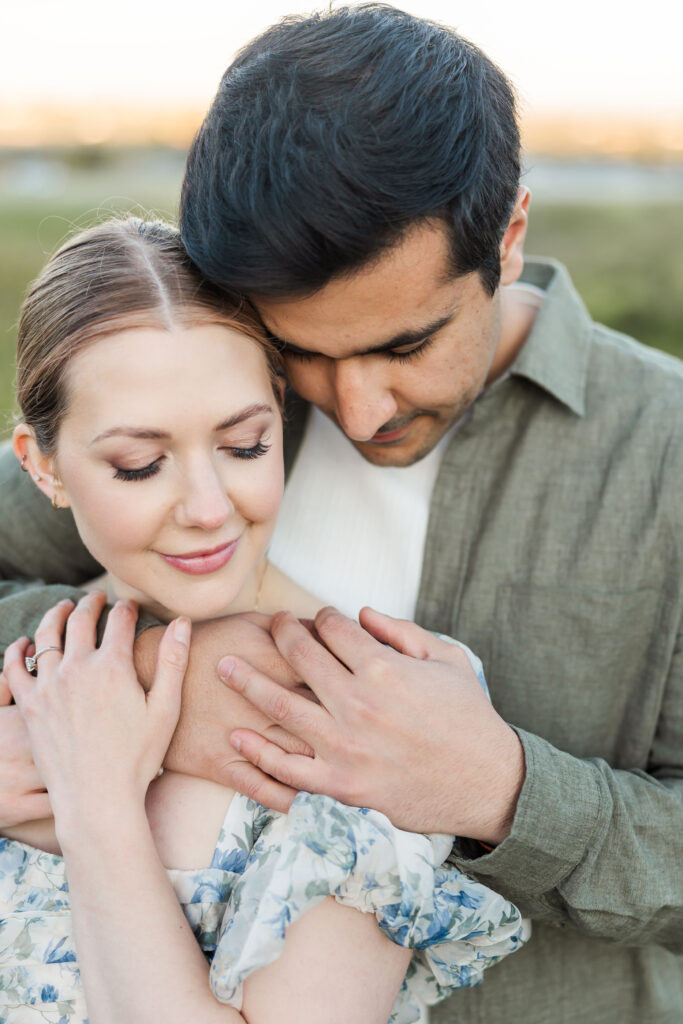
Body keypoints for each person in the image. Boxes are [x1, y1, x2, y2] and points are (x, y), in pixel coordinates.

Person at [0, 4, 682, 1022]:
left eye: (404, 345)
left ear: (508, 234)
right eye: (304, 353)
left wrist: (502, 789)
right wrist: (151, 682)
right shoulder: (208, 380)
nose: (354, 408)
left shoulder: (663, 452)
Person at [0, 216, 526, 1024]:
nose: (209, 510)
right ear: (41, 465)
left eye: (244, 445)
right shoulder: (32, 673)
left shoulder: (366, 704)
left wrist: (97, 806)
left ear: (279, 413)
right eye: (139, 465)